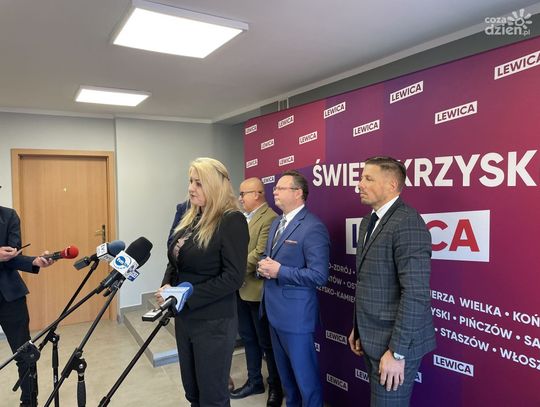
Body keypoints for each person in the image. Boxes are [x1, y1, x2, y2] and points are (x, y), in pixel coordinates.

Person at [156, 157, 249, 407]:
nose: (190, 188)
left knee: (212, 397)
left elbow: (234, 277)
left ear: (215, 185)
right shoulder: (191, 217)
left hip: (214, 323)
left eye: (198, 183)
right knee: (193, 393)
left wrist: (187, 294)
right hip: (186, 318)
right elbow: (176, 260)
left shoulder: (231, 220)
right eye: (190, 181)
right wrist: (168, 285)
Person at [348, 156, 436, 407]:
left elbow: (416, 293)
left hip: (395, 344)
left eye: (368, 178)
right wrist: (358, 327)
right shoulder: (368, 221)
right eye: (361, 178)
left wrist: (397, 352)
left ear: (392, 185)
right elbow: (367, 280)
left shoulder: (408, 222)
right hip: (371, 335)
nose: (359, 184)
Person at [258, 170, 330, 407]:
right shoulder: (277, 222)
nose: (274, 192)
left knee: (305, 379)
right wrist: (263, 267)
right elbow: (270, 258)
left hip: (296, 317)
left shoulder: (312, 227)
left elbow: (319, 276)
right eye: (275, 188)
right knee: (287, 380)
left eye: (280, 188)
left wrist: (280, 271)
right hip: (273, 313)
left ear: (298, 193)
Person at [230, 177, 282, 406]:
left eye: (243, 194)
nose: (240, 198)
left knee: (266, 343)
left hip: (257, 292)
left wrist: (233, 271)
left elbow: (260, 253)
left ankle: (275, 387)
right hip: (240, 289)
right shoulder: (243, 218)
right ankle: (254, 381)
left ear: (257, 194)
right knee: (248, 338)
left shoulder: (270, 218)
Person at [0, 200, 55, 407]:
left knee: (25, 354)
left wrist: (35, 261)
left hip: (10, 296)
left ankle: (30, 402)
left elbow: (12, 257)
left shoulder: (9, 216)